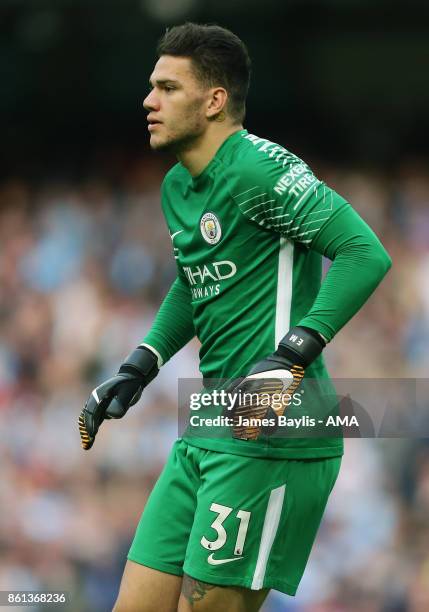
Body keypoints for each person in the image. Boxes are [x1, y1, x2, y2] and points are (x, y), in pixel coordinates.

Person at [79, 22, 391, 612]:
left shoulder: (261, 170)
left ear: (214, 100)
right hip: (209, 422)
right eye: (152, 86)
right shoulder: (178, 185)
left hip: (269, 433)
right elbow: (196, 281)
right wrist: (140, 365)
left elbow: (364, 253)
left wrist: (292, 356)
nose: (148, 101)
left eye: (168, 88)